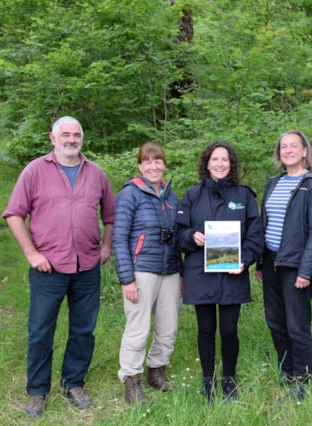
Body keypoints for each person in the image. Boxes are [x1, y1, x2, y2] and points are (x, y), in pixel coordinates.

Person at [2, 116, 115, 417]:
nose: (71, 139)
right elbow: (14, 214)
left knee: (83, 329)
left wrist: (106, 246)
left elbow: (111, 216)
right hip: (48, 268)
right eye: (65, 134)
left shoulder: (96, 173)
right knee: (40, 331)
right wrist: (31, 254)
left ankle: (73, 383)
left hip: (87, 266)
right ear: (52, 139)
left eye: (76, 135)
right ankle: (37, 391)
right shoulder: (36, 171)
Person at [176, 141, 263, 404]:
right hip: (200, 273)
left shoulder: (244, 196)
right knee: (205, 329)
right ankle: (207, 380)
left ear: (231, 164)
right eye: (215, 159)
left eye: (225, 159)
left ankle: (229, 380)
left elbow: (255, 234)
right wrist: (192, 237)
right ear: (207, 163)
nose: (220, 164)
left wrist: (245, 259)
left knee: (228, 330)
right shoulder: (192, 195)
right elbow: (178, 236)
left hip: (232, 273)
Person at [255, 130, 312, 402]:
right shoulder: (274, 183)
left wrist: (305, 270)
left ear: (305, 151)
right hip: (271, 263)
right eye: (283, 147)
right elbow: (265, 225)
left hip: (296, 266)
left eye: (293, 146)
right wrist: (260, 264)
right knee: (275, 322)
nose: (288, 150)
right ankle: (286, 373)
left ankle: (302, 381)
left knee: (297, 325)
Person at [112, 142, 182, 406]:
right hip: (141, 270)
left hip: (170, 270)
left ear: (164, 164)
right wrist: (127, 278)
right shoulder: (130, 194)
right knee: (138, 328)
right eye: (148, 162)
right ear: (140, 166)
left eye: (158, 161)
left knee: (168, 327)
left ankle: (157, 369)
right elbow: (119, 238)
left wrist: (181, 271)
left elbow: (178, 236)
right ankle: (131, 380)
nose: (154, 166)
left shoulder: (171, 196)